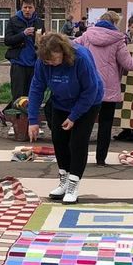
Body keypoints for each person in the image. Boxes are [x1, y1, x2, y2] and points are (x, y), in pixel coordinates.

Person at [73, 10, 133, 166]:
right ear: (114, 23)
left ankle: (79, 158)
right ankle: (100, 160)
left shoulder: (86, 36)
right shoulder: (118, 40)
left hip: (88, 88)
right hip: (109, 89)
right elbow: (130, 65)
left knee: (85, 125)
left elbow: (70, 47)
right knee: (105, 126)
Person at [28, 32, 103, 204]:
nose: (51, 64)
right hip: (61, 102)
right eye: (47, 61)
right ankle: (64, 179)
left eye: (54, 59)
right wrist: (33, 120)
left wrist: (74, 116)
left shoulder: (81, 58)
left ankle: (73, 184)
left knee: (77, 142)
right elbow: (36, 88)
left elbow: (90, 90)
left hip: (87, 102)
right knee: (59, 140)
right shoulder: (43, 62)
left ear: (63, 51)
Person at [5, 0, 44, 101]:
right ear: (21, 8)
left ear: (34, 8)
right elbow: (7, 41)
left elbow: (43, 42)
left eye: (30, 7)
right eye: (25, 7)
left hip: (34, 63)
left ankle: (30, 116)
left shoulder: (39, 22)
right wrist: (23, 34)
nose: (27, 10)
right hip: (18, 63)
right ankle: (17, 116)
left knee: (32, 94)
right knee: (18, 96)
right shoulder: (13, 20)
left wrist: (43, 39)